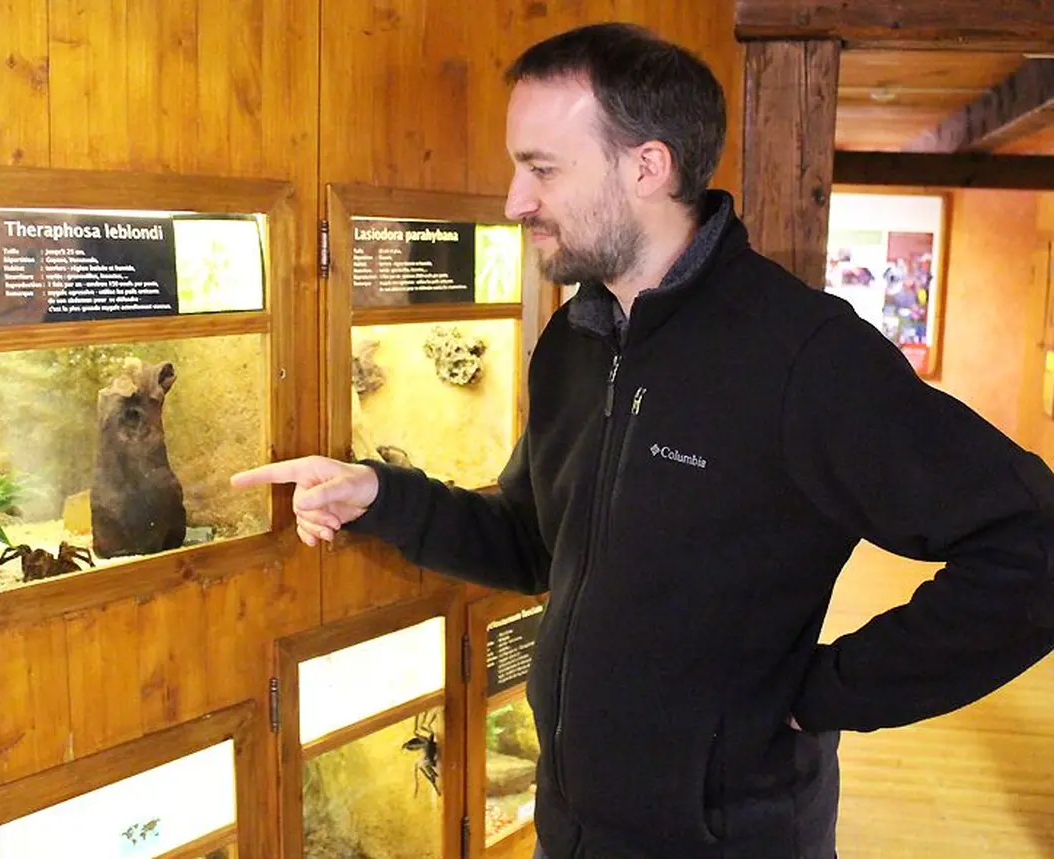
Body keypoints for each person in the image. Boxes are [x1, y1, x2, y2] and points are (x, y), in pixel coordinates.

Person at [231, 22, 1054, 859]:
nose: (515, 200)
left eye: (541, 168)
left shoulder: (803, 355)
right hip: (575, 829)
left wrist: (825, 693)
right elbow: (533, 542)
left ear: (648, 166)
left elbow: (1034, 546)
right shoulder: (577, 340)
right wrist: (382, 495)